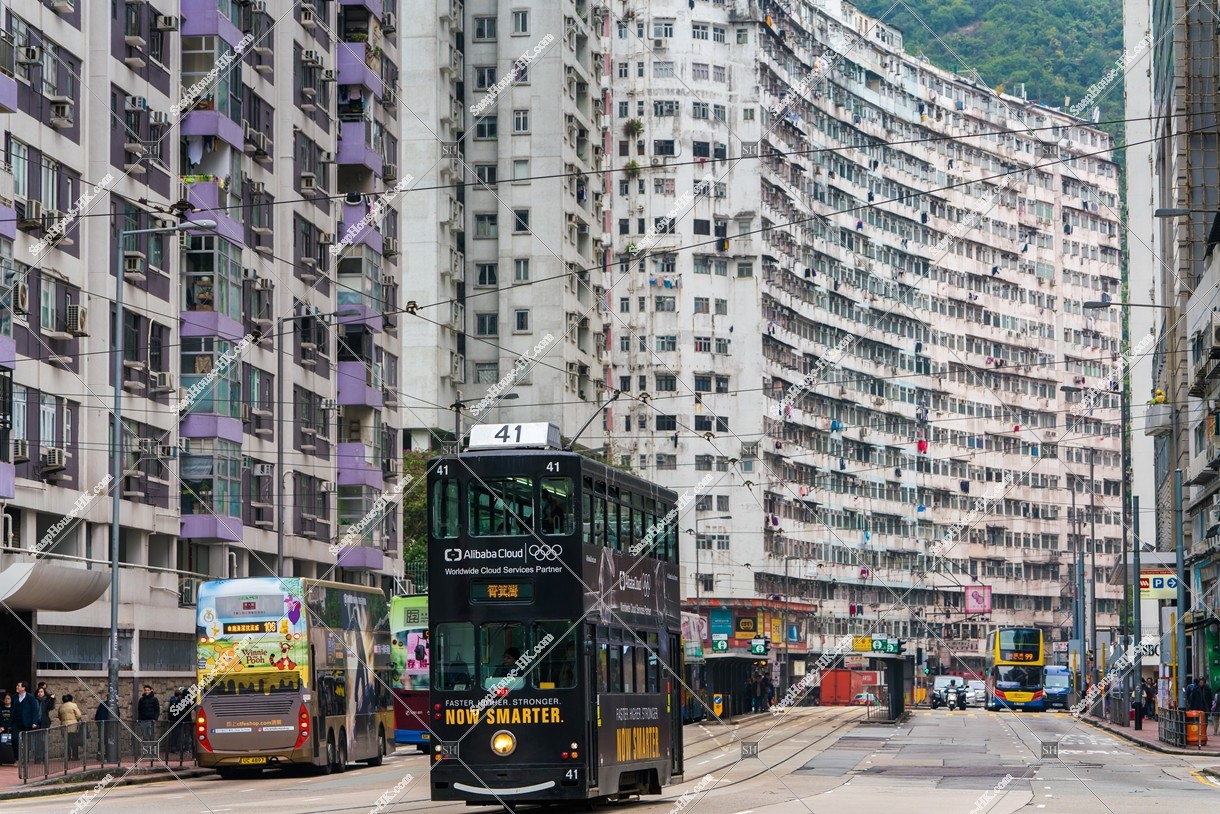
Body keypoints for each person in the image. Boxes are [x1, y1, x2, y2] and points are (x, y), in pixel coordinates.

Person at [57, 693, 83, 760]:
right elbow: (79, 715)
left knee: (67, 742)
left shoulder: (61, 707)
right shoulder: (73, 705)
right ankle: (75, 756)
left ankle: (68, 756)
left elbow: (59, 717)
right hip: (73, 725)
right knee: (74, 741)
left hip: (64, 725)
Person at [167, 689, 192, 757]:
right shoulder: (189, 701)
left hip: (180, 720)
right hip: (187, 720)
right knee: (186, 735)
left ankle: (178, 748)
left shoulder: (179, 700)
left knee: (179, 735)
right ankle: (186, 748)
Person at [0, 692, 16, 765]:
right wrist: (2, 726)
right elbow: (0, 718)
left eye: (8, 698)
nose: (7, 700)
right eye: (5, 699)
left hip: (11, 728)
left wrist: (8, 726)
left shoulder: (13, 708)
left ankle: (12, 758)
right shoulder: (1, 708)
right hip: (2, 728)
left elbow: (13, 718)